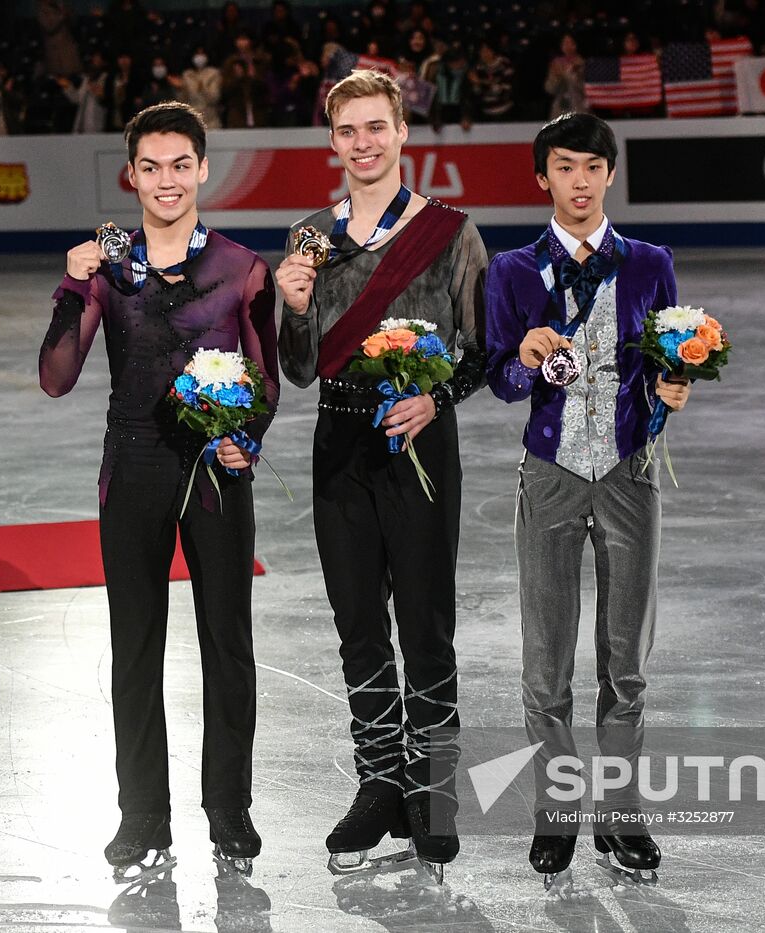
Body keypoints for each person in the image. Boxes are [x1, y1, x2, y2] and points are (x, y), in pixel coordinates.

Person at [39, 101, 278, 880]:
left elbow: (265, 379)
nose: (168, 180)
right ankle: (142, 814)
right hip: (133, 468)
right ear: (131, 174)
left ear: (203, 169)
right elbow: (56, 378)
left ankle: (230, 807)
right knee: (134, 647)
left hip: (215, 470)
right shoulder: (108, 267)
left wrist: (247, 438)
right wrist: (73, 288)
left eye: (182, 164)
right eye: (152, 167)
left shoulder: (244, 267)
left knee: (227, 644)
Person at [273, 69, 487, 881]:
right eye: (348, 131)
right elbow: (297, 371)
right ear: (332, 143)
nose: (363, 143)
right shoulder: (310, 239)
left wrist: (437, 397)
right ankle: (378, 782)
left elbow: (485, 350)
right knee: (359, 622)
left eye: (377, 128)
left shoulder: (451, 233)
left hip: (421, 445)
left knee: (426, 623)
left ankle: (432, 792)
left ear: (403, 134)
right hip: (341, 445)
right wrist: (292, 308)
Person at [483, 112, 690, 886]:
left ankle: (623, 812)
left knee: (626, 659)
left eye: (592, 167)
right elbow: (501, 378)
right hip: (551, 471)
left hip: (631, 472)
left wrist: (671, 392)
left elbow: (667, 368)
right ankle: (557, 809)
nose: (578, 181)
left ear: (610, 175)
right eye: (563, 167)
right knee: (546, 663)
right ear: (543, 177)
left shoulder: (651, 264)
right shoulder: (510, 269)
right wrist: (528, 359)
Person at [178, 47, 224, 128]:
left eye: (202, 54)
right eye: (197, 54)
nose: (199, 57)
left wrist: (202, 87)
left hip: (211, 121)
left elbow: (214, 98)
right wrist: (180, 90)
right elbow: (182, 101)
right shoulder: (187, 75)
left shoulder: (214, 73)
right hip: (192, 121)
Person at [544, 33, 586, 118]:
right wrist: (556, 77)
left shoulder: (581, 64)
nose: (566, 46)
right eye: (564, 43)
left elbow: (583, 87)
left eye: (569, 43)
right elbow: (550, 89)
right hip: (560, 108)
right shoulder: (556, 64)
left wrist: (568, 73)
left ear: (575, 45)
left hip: (578, 106)